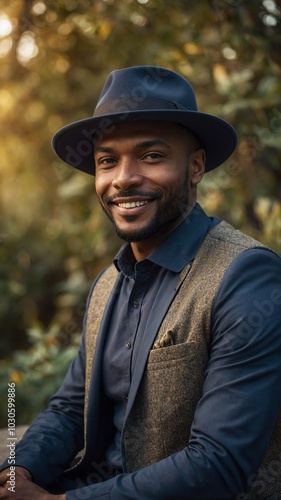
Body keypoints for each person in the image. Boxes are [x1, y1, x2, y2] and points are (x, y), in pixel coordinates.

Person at [0, 65, 280, 500]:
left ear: (196, 167)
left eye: (152, 156)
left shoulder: (246, 276)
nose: (124, 178)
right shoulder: (107, 284)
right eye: (107, 161)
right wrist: (16, 472)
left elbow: (219, 463)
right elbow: (72, 408)